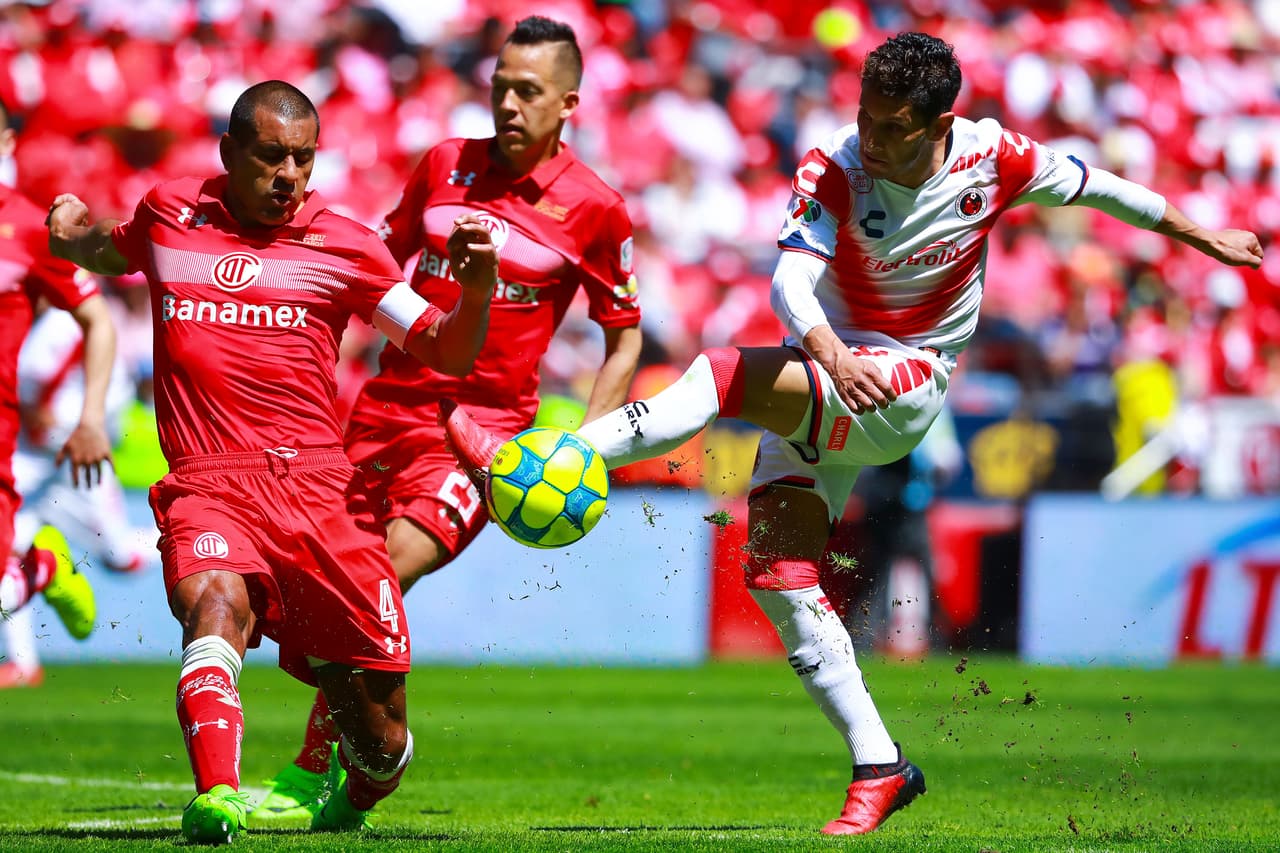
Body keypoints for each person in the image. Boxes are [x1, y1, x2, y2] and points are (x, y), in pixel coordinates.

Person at [442, 32, 1265, 835]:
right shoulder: (835, 165)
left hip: (905, 381)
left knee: (720, 374)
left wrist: (1202, 235)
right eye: (865, 116)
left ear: (940, 125)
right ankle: (881, 765)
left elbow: (1097, 188)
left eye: (892, 128)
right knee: (779, 572)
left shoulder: (995, 158)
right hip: (831, 369)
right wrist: (831, 352)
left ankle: (535, 461)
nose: (869, 138)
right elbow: (790, 281)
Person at [46, 80, 499, 843]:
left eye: (303, 158)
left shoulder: (348, 246)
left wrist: (476, 293)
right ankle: (217, 795)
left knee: (377, 736)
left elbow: (445, 348)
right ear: (229, 152)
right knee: (215, 603)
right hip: (209, 478)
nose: (289, 174)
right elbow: (103, 250)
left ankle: (360, 788)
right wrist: (69, 234)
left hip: (321, 491)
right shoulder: (170, 214)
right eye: (270, 156)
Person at [255, 15, 643, 819]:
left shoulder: (596, 208)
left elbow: (624, 336)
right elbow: (373, 267)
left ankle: (318, 767)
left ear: (569, 103)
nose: (508, 104)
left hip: (482, 436)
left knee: (381, 572)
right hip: (379, 413)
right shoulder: (442, 165)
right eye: (500, 87)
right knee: (321, 588)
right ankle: (376, 751)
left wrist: (586, 444)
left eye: (527, 91)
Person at [0, 97, 110, 677]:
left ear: (7, 144)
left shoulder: (26, 228)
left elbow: (98, 320)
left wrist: (90, 418)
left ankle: (40, 566)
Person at [1, 301, 154, 688]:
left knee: (122, 557)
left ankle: (191, 540)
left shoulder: (68, 325)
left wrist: (72, 427)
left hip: (73, 461)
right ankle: (22, 663)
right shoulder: (24, 320)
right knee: (9, 552)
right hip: (27, 460)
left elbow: (111, 393)